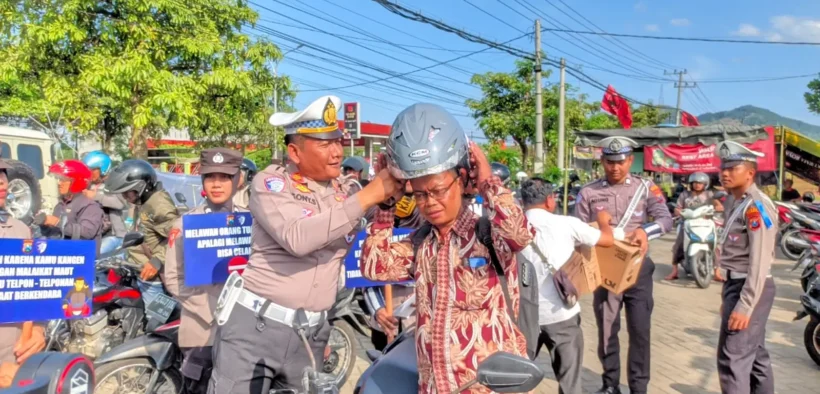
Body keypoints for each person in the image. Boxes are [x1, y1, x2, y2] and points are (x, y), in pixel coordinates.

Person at [208, 96, 401, 393]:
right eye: (325, 145)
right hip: (255, 329)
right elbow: (298, 239)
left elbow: (393, 217)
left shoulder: (346, 190)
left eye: (338, 141)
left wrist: (394, 185)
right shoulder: (271, 184)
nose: (337, 152)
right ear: (295, 151)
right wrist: (366, 197)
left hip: (311, 334)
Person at [360, 103, 534, 394]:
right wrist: (386, 203)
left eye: (439, 190)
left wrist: (488, 184)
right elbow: (374, 266)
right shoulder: (422, 243)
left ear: (463, 179)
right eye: (420, 194)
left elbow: (521, 234)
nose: (430, 202)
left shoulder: (489, 236)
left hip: (486, 388)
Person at [575, 136, 673, 394]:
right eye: (609, 162)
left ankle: (639, 387)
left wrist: (645, 231)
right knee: (607, 329)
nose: (615, 167)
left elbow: (665, 218)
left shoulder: (644, 187)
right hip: (606, 270)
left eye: (620, 162)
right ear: (602, 161)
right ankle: (610, 384)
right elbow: (579, 229)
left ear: (630, 160)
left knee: (640, 330)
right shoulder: (589, 192)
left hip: (638, 269)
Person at [517, 178, 615, 394]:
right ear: (550, 200)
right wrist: (603, 220)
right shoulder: (567, 224)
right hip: (562, 316)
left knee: (516, 381)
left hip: (522, 317)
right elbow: (607, 240)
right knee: (570, 383)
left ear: (523, 200)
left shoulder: (510, 228)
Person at [164, 148, 246, 394]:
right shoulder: (185, 225)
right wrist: (211, 309)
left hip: (243, 332)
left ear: (237, 180)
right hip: (201, 331)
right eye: (211, 177)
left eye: (224, 177)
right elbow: (173, 277)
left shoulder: (250, 223)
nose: (217, 184)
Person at [715, 141, 777, 394]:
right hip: (737, 285)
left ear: (750, 172)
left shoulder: (755, 206)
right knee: (755, 357)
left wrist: (745, 304)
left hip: (750, 287)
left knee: (733, 360)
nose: (725, 173)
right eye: (723, 168)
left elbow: (760, 261)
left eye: (732, 168)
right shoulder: (736, 202)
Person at [362, 173, 424, 351]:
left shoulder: (429, 215)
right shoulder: (374, 212)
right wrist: (377, 309)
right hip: (385, 316)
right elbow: (364, 270)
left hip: (418, 315)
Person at [105, 159, 179, 306]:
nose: (125, 197)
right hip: (138, 267)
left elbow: (178, 238)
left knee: (155, 322)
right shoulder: (144, 201)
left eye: (127, 193)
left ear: (140, 187)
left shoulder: (159, 206)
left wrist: (156, 261)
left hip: (153, 278)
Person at [0, 160, 46, 387]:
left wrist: (38, 331)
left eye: (4, 173)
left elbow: (33, 290)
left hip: (16, 356)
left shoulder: (19, 229)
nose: (2, 181)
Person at [666, 172, 725, 281]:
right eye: (695, 183)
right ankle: (674, 271)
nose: (697, 185)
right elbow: (677, 208)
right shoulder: (685, 195)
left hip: (705, 222)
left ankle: (717, 272)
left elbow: (718, 205)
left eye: (700, 183)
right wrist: (677, 211)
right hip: (687, 223)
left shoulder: (709, 194)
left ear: (705, 184)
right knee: (678, 245)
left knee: (716, 245)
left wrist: (718, 207)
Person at [38, 160, 104, 249]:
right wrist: (43, 225)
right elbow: (55, 234)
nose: (59, 183)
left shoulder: (89, 206)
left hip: (83, 258)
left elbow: (87, 232)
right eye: (58, 179)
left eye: (63, 180)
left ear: (77, 182)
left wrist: (57, 223)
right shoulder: (60, 206)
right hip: (63, 256)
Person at [82, 151, 130, 254]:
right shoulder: (88, 185)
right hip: (93, 233)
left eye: (93, 170)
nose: (89, 173)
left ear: (103, 169)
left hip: (113, 235)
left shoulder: (114, 183)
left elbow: (120, 203)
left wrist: (96, 196)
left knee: (92, 255)